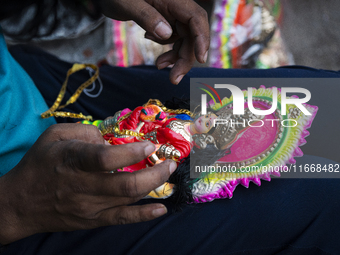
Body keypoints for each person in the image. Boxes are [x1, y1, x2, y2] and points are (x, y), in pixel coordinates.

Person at [1, 1, 340, 255]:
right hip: (33, 208)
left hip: (39, 86)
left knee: (329, 107)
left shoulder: (173, 126)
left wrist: (88, 2)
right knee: (323, 194)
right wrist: (14, 209)